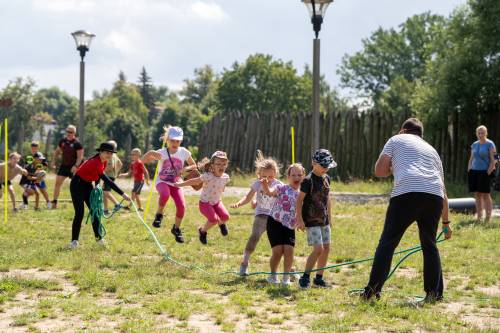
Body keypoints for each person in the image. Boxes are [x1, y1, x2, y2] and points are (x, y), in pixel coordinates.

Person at [360, 118, 452, 303]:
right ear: (420, 135)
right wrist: (446, 223)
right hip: (433, 195)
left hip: (407, 192)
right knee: (429, 245)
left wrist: (393, 168)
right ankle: (434, 293)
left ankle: (372, 291)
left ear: (403, 130)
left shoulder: (396, 139)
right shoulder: (432, 150)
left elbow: (379, 170)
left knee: (387, 243)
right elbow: (443, 191)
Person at [68, 142, 131, 249]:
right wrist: (122, 194)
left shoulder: (103, 162)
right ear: (100, 152)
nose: (109, 155)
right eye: (107, 152)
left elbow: (97, 177)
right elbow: (107, 181)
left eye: (111, 153)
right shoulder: (95, 162)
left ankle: (99, 239)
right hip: (77, 185)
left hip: (87, 185)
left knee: (95, 212)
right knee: (79, 213)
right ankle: (74, 242)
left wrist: (97, 187)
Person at [231, 151, 282, 276]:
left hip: (274, 217)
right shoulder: (257, 183)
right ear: (259, 175)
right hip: (261, 216)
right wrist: (239, 203)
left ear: (275, 173)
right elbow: (248, 197)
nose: (267, 180)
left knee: (279, 244)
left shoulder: (279, 185)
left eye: (270, 177)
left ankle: (286, 269)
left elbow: (282, 199)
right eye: (264, 177)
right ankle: (244, 263)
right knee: (254, 237)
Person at [143, 126, 197, 243]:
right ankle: (159, 215)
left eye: (177, 141)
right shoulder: (162, 153)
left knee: (182, 207)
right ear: (167, 139)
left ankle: (176, 229)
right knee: (165, 194)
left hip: (176, 183)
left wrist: (185, 169)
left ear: (181, 141)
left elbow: (194, 165)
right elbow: (143, 161)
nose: (175, 143)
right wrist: (151, 152)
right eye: (172, 140)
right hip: (162, 181)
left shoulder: (184, 152)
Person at [296, 149, 336, 288]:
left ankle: (319, 278)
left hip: (324, 220)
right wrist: (300, 219)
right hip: (312, 221)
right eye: (323, 166)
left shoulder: (327, 179)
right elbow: (299, 201)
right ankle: (305, 277)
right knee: (318, 249)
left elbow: (328, 199)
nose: (326, 169)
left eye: (328, 166)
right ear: (314, 163)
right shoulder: (308, 181)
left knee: (326, 248)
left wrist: (330, 218)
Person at [261, 163, 305, 286]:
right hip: (274, 222)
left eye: (299, 175)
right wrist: (265, 186)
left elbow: (304, 210)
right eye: (293, 175)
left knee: (289, 251)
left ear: (303, 177)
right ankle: (273, 276)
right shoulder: (282, 188)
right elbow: (270, 192)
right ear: (288, 177)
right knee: (278, 252)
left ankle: (285, 278)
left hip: (289, 226)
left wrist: (302, 222)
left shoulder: (303, 194)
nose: (296, 177)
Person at [176, 151, 231, 245]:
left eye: (224, 164)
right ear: (212, 165)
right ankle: (202, 231)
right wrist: (180, 184)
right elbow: (194, 181)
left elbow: (222, 187)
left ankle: (221, 223)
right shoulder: (207, 176)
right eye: (218, 164)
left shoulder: (225, 177)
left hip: (217, 202)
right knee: (213, 220)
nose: (221, 166)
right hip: (205, 203)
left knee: (225, 217)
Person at [467, 125, 497, 223]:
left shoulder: (490, 144)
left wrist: (490, 170)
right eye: (479, 133)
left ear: (486, 133)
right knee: (477, 194)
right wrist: (469, 168)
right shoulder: (474, 144)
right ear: (476, 134)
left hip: (485, 172)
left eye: (482, 133)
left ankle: (488, 217)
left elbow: (495, 159)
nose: (480, 135)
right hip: (474, 171)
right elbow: (472, 158)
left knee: (485, 194)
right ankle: (479, 216)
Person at [51, 125, 84, 209]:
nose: (69, 133)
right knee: (57, 183)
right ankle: (54, 203)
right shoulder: (62, 141)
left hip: (74, 167)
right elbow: (57, 152)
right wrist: (53, 162)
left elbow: (80, 157)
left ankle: (79, 203)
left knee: (76, 187)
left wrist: (76, 166)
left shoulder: (77, 144)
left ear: (74, 133)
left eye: (71, 132)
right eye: (68, 131)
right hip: (64, 166)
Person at [119, 148, 150, 212]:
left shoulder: (140, 163)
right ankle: (140, 208)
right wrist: (122, 175)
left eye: (134, 154)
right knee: (136, 194)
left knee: (134, 193)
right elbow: (129, 173)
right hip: (136, 181)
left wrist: (147, 180)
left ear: (138, 155)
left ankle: (129, 206)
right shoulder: (132, 164)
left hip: (140, 181)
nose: (132, 156)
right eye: (131, 154)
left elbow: (145, 171)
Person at [102, 141, 123, 215]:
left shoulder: (110, 155)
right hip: (111, 176)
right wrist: (116, 173)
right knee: (104, 193)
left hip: (108, 176)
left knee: (106, 192)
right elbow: (120, 164)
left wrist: (101, 171)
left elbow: (110, 166)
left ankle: (117, 204)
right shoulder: (115, 155)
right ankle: (105, 210)